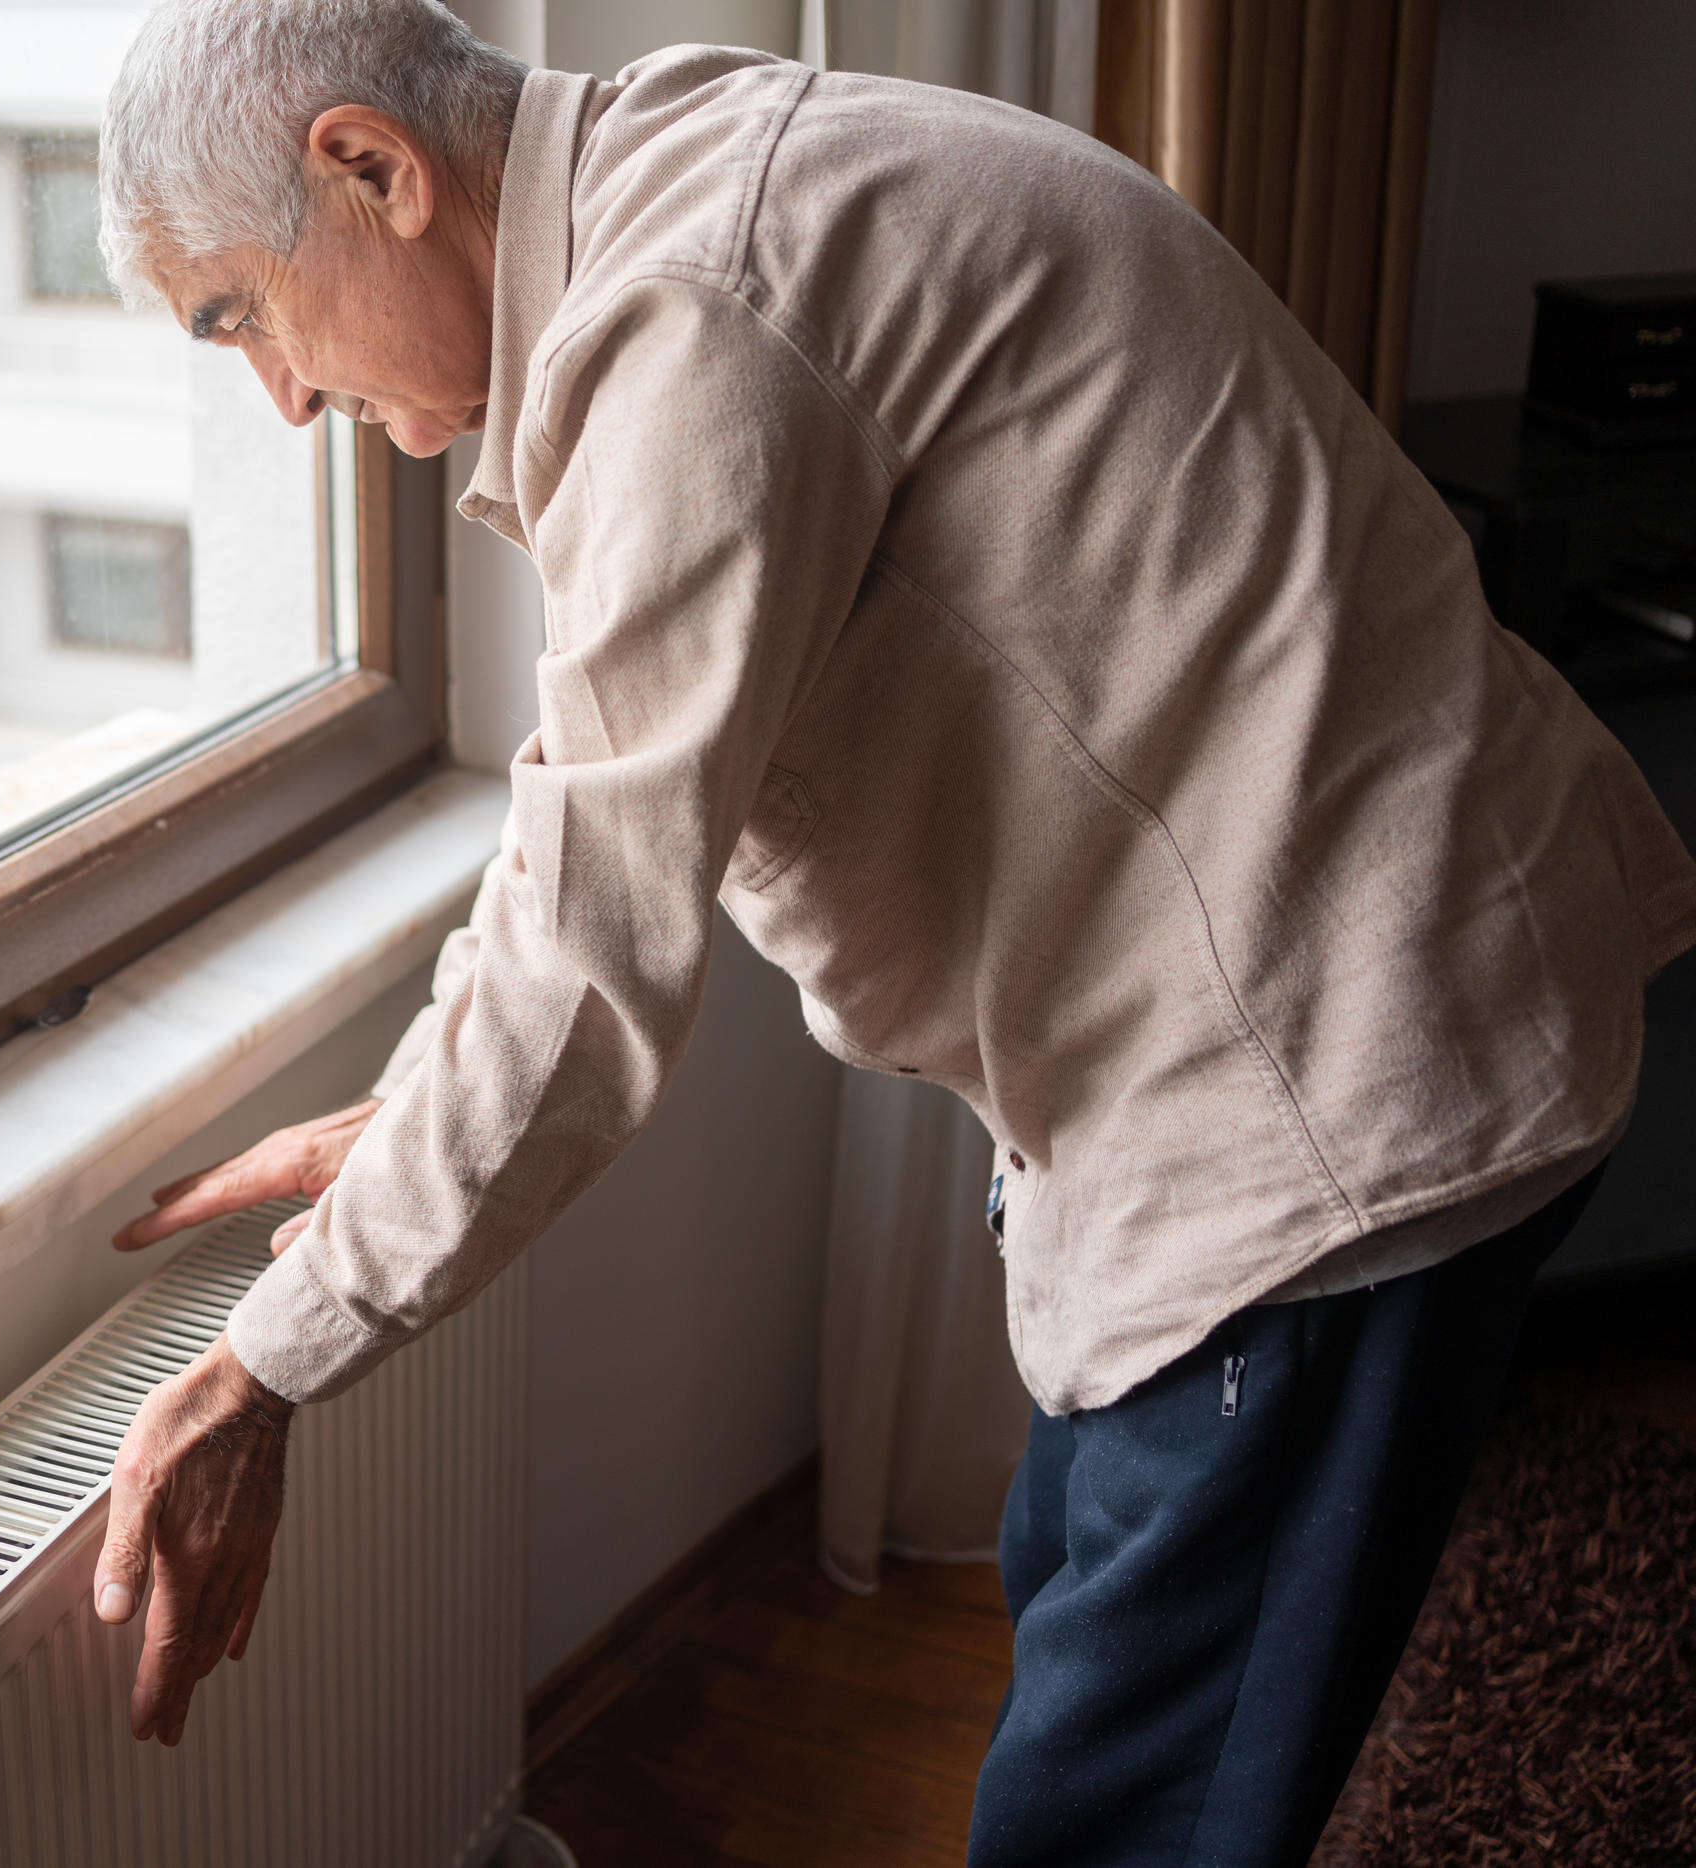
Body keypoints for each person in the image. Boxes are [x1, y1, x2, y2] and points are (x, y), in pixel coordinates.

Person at [84, 1, 1696, 1860]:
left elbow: (592, 951)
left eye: (242, 316)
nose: (279, 400)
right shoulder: (671, 177)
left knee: (1125, 1811)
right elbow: (587, 813)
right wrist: (407, 1121)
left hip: (1343, 1070)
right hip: (1323, 988)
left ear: (369, 170)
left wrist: (264, 1369)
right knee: (1082, 1605)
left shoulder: (686, 312)